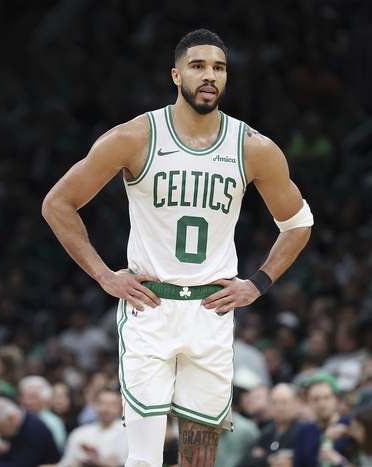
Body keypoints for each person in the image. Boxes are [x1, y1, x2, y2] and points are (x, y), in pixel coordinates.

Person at [42, 29, 313, 467]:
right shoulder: (135, 136)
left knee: (199, 461)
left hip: (211, 313)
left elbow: (298, 223)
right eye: (198, 66)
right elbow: (57, 203)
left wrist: (259, 283)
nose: (209, 76)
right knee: (144, 459)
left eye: (219, 68)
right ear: (175, 74)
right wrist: (104, 276)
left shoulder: (252, 147)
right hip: (151, 309)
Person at [0, 396, 61, 467]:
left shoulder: (35, 430)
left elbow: (21, 464)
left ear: (11, 418)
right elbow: (11, 454)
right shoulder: (21, 424)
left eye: (0, 428)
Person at [56, 388, 128, 467]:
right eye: (102, 403)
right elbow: (66, 462)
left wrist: (101, 462)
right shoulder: (79, 433)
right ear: (94, 405)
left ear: (120, 406)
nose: (107, 408)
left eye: (113, 404)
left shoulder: (127, 433)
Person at [293, 372, 350, 467]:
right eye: (316, 399)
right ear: (309, 402)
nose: (321, 403)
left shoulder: (350, 426)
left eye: (326, 398)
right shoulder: (304, 432)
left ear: (336, 399)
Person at [243, 383, 300, 467]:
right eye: (274, 403)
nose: (279, 408)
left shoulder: (302, 432)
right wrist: (268, 459)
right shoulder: (266, 431)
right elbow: (248, 460)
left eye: (284, 402)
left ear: (295, 403)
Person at [19, 376, 67, 452]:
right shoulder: (17, 419)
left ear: (45, 400)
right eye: (24, 397)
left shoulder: (53, 423)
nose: (27, 402)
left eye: (33, 397)